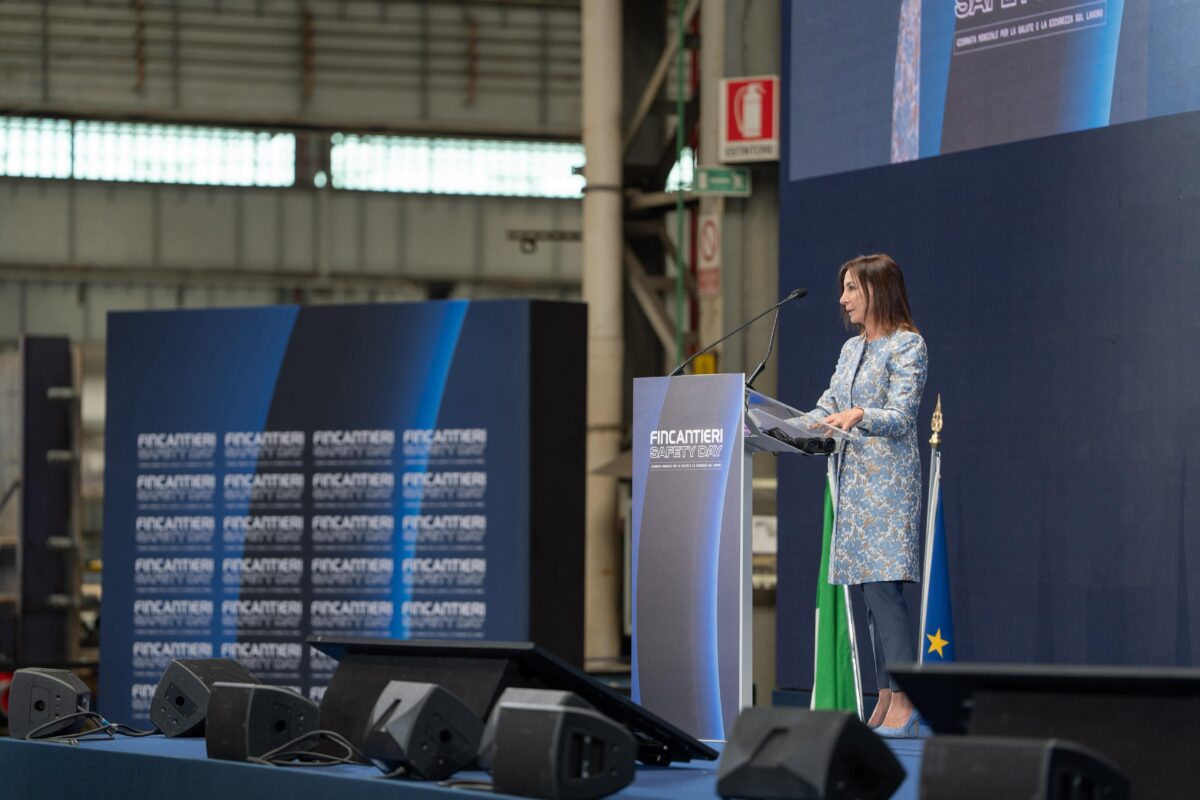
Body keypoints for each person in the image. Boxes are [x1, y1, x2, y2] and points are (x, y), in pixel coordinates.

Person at [811, 253, 928, 738]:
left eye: (852, 289)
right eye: (844, 289)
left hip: (889, 486)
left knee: (886, 592)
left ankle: (907, 699)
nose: (843, 299)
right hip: (854, 489)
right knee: (868, 594)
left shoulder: (909, 346)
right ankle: (885, 697)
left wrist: (859, 414)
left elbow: (901, 416)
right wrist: (796, 423)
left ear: (877, 290)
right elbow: (828, 403)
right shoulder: (849, 349)